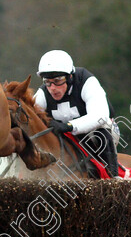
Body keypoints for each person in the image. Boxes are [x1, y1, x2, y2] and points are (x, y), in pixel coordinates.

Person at [33, 50, 120, 178]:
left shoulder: (87, 81)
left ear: (70, 77)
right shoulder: (42, 93)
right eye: (47, 82)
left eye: (58, 81)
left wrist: (69, 126)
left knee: (100, 133)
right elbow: (30, 118)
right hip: (66, 135)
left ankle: (114, 178)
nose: (52, 88)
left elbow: (100, 115)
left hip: (99, 130)